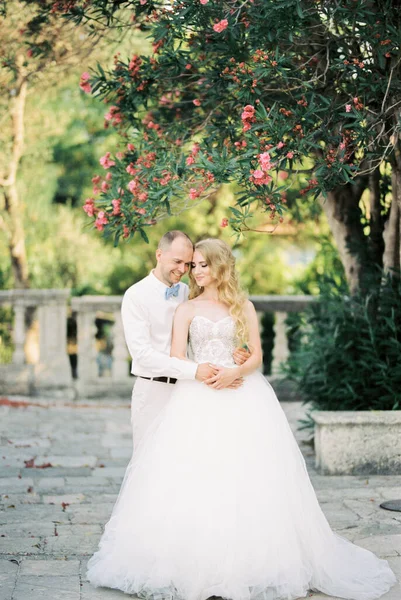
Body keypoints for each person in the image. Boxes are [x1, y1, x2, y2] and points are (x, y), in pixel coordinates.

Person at [87, 238, 397, 600]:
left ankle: (250, 561)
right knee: (188, 474)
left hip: (242, 394)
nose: (195, 270)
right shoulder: (183, 308)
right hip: (194, 393)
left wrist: (238, 369)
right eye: (192, 264)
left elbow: (256, 356)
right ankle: (190, 559)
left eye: (202, 264)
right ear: (163, 257)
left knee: (246, 473)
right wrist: (203, 373)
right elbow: (177, 356)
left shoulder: (242, 306)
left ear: (220, 266)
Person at [120, 230, 246, 448]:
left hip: (189, 392)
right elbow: (142, 355)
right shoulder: (135, 296)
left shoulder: (186, 291)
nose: (183, 270)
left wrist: (235, 352)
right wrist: (195, 371)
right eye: (177, 261)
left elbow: (210, 324)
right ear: (159, 254)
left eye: (188, 264)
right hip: (154, 391)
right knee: (149, 459)